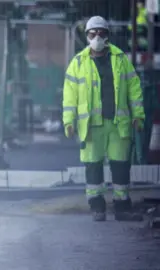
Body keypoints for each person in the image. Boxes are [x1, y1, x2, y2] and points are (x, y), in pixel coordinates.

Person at [63, 16, 145, 222]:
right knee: (93, 166)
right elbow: (69, 95)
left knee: (120, 165)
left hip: (118, 124)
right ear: (87, 36)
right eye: (93, 33)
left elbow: (134, 89)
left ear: (108, 35)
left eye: (102, 33)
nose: (97, 37)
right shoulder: (78, 63)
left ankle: (122, 207)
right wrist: (68, 121)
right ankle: (97, 207)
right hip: (91, 126)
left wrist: (138, 116)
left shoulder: (121, 59)